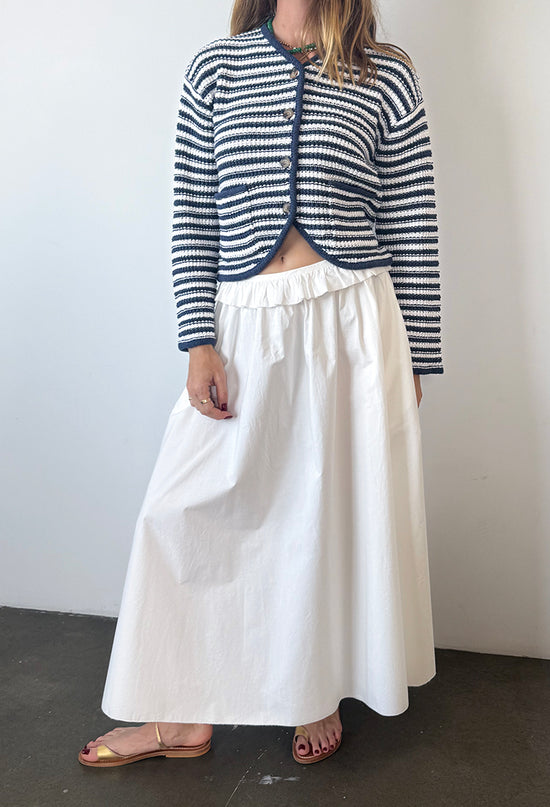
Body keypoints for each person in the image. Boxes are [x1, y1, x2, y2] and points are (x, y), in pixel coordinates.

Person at [78, 0, 443, 768]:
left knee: (325, 515)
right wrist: (198, 340)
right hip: (246, 321)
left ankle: (315, 689)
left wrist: (416, 359)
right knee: (182, 508)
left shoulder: (386, 74)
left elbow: (413, 220)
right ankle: (181, 712)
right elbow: (193, 212)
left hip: (353, 324)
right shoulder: (217, 68)